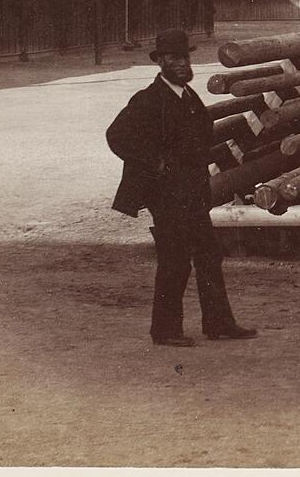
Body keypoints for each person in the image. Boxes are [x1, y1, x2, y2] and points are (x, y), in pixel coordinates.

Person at [107, 27, 257, 347]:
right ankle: (165, 330)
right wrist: (155, 162)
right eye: (174, 58)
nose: (182, 64)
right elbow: (116, 135)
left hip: (192, 193)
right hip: (165, 195)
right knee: (174, 260)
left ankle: (218, 323)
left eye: (185, 57)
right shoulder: (148, 99)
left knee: (209, 255)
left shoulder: (189, 97)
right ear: (160, 61)